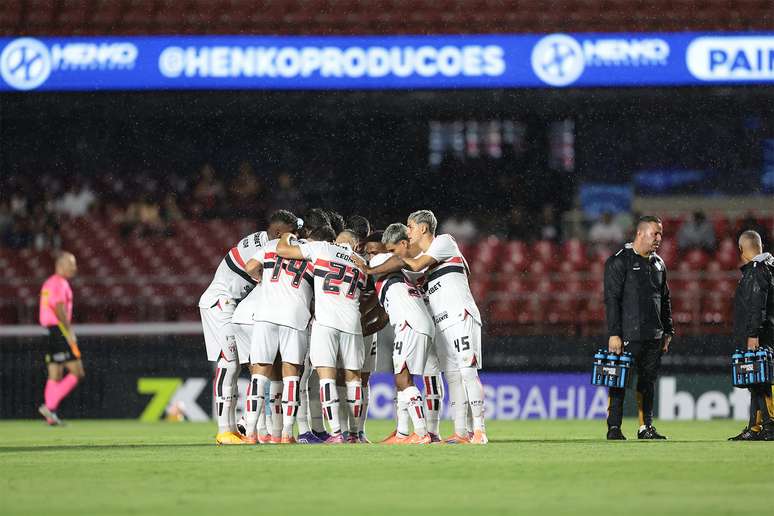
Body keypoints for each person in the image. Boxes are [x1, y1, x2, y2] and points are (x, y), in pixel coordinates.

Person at [358, 210, 486, 444]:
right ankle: (461, 432)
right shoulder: (427, 262)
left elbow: (414, 264)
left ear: (424, 228)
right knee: (453, 376)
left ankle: (479, 430)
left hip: (460, 314)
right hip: (440, 321)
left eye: (410, 226)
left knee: (467, 371)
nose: (408, 230)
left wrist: (385, 259)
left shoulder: (443, 242)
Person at [198, 210, 298, 445]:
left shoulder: (261, 239)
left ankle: (233, 429)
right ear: (278, 233)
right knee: (228, 364)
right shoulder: (266, 246)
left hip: (230, 304)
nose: (293, 239)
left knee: (240, 365)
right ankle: (224, 430)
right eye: (291, 233)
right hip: (220, 302)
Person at [275, 228, 372, 444]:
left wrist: (286, 234)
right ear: (356, 245)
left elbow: (283, 250)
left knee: (326, 378)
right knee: (354, 379)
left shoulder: (322, 247)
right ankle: (354, 434)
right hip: (352, 323)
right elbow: (367, 291)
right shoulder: (360, 261)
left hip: (325, 322)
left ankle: (336, 433)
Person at [603, 215, 674, 440]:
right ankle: (614, 427)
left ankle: (646, 427)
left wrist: (668, 331)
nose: (659, 238)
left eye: (661, 234)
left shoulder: (659, 264)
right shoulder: (619, 261)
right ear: (640, 233)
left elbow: (665, 299)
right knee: (619, 381)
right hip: (627, 335)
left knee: (647, 383)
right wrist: (614, 333)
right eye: (655, 233)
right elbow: (611, 300)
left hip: (654, 335)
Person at [370, 223, 439, 444]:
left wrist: (367, 268)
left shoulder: (382, 260)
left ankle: (420, 433)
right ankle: (401, 433)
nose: (371, 255)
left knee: (403, 377)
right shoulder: (400, 273)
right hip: (419, 323)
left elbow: (397, 259)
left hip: (410, 324)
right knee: (402, 378)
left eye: (375, 250)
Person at [728, 230, 774, 441]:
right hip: (768, 332)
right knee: (758, 381)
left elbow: (756, 306)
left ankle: (769, 426)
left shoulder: (756, 271)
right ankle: (756, 427)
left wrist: (753, 334)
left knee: (762, 381)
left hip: (761, 335)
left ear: (741, 249)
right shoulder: (769, 267)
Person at [37, 252, 84, 425]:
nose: (74, 267)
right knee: (77, 372)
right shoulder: (60, 283)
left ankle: (51, 417)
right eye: (71, 263)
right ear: (60, 264)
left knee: (54, 374)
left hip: (48, 331)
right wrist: (69, 332)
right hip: (59, 330)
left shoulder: (49, 282)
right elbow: (59, 308)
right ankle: (49, 406)